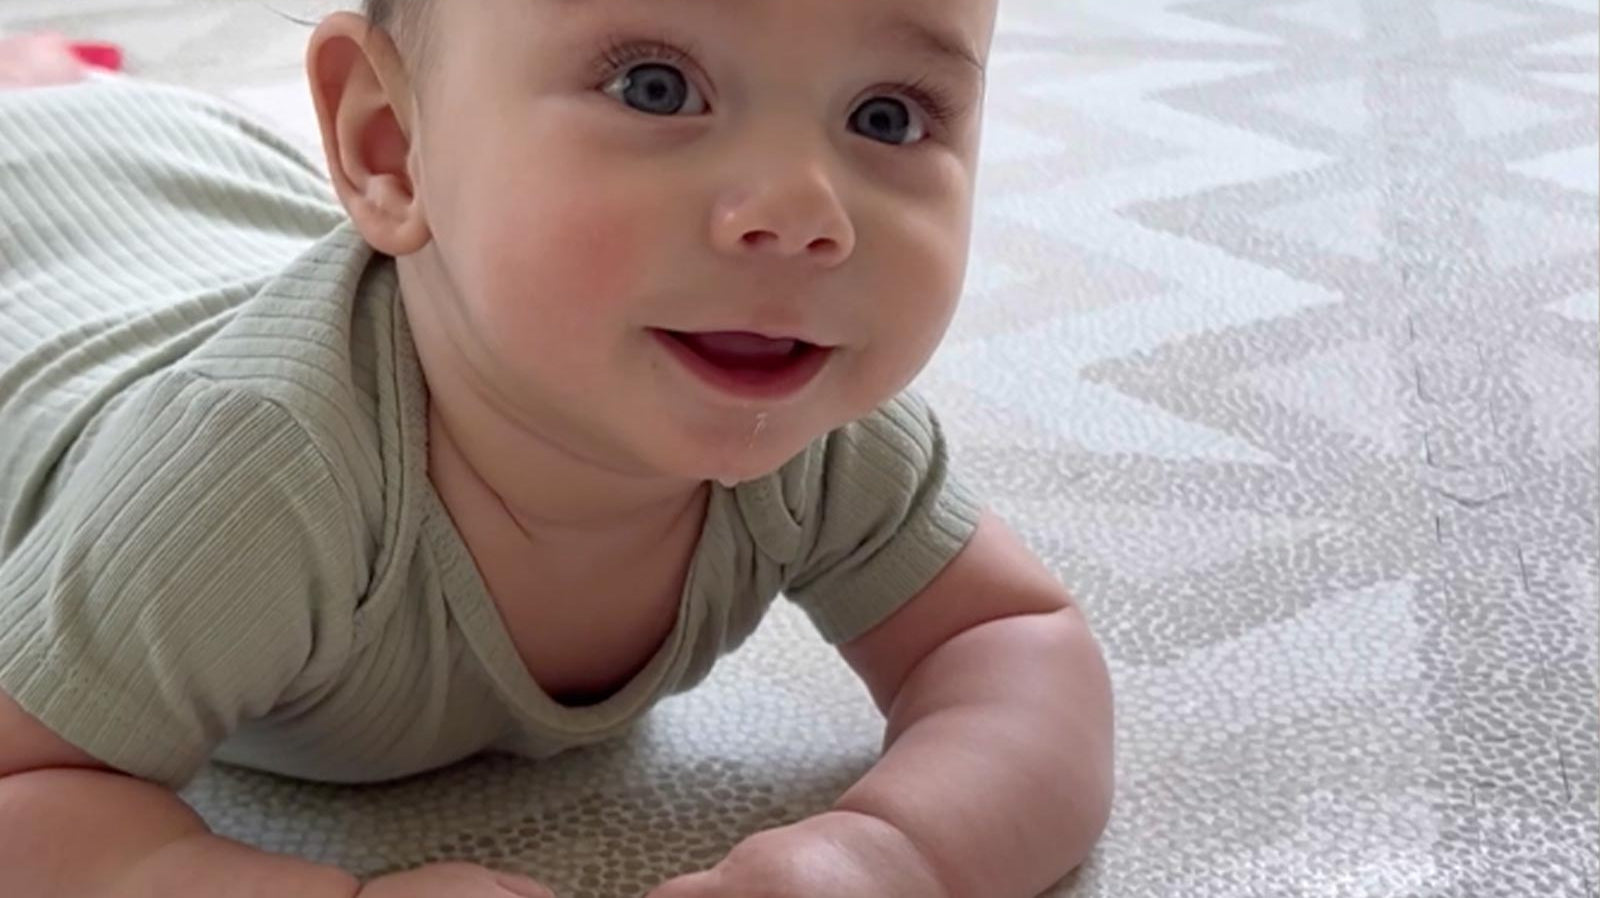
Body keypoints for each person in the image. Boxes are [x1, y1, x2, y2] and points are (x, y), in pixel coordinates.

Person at [0, 3, 1114, 896]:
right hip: (47, 228)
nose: (801, 210)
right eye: (655, 87)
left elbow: (1009, 641)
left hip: (218, 201)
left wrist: (895, 857)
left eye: (887, 116)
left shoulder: (820, 428)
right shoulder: (257, 469)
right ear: (393, 146)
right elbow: (26, 787)